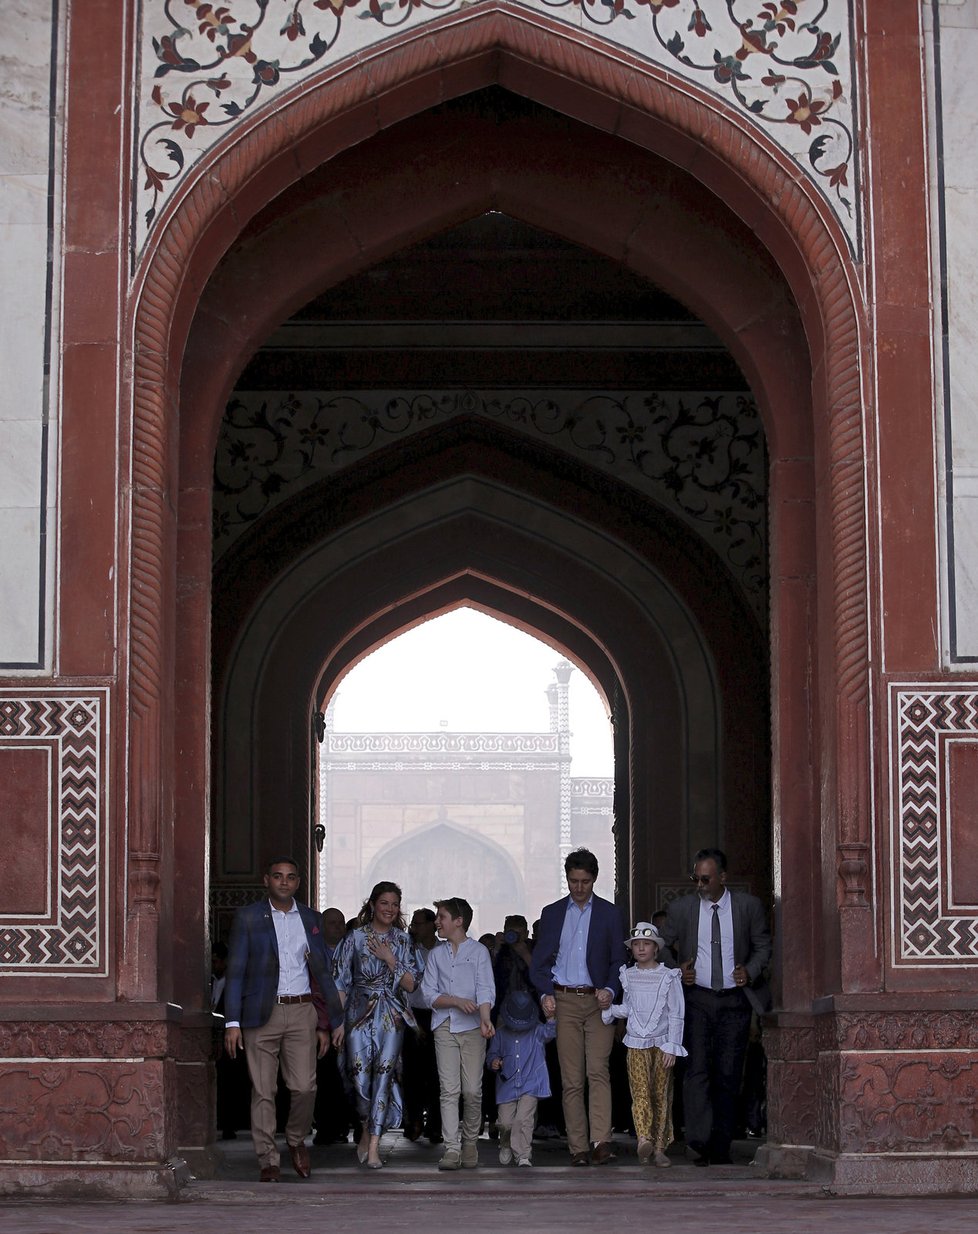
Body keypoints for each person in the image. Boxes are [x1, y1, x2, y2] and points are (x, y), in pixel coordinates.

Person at [224, 856, 343, 1182]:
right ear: (267, 880)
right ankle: (268, 1159)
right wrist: (231, 1021)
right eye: (278, 876)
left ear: (298, 882)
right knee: (264, 1091)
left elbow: (321, 974)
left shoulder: (311, 919)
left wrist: (327, 1021)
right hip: (261, 1014)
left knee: (305, 1087)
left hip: (302, 1011)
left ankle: (295, 1140)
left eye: (290, 877)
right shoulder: (249, 918)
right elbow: (235, 972)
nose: (284, 882)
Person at [661, 847, 772, 1167]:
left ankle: (721, 1143)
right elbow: (661, 943)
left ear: (723, 878)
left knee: (727, 1073)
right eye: (695, 878)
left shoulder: (747, 907)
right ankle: (697, 1141)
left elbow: (764, 944)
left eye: (705, 879)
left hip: (734, 1001)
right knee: (696, 1072)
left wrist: (749, 970)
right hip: (696, 999)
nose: (699, 884)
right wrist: (677, 969)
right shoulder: (682, 909)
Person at [530, 847, 625, 1165]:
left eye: (584, 881)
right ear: (567, 879)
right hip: (565, 1000)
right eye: (573, 881)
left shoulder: (610, 914)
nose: (579, 888)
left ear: (594, 879)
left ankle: (601, 1141)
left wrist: (611, 989)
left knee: (598, 1071)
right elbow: (539, 964)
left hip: (598, 1000)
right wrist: (545, 994)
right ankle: (578, 1147)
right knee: (572, 1078)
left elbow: (617, 960)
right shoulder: (553, 912)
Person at [332, 880, 421, 1168]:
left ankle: (373, 1146)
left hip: (391, 1016)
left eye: (395, 904)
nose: (390, 909)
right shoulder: (354, 938)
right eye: (384, 903)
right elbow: (340, 983)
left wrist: (390, 958)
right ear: (372, 904)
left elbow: (410, 984)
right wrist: (338, 1023)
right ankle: (366, 1127)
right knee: (359, 1079)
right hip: (358, 1012)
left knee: (384, 1076)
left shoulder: (403, 941)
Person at [602, 922, 686, 1167]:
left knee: (660, 1094)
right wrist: (610, 1011)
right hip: (636, 1043)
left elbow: (675, 1012)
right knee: (639, 1093)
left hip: (661, 1044)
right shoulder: (627, 975)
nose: (640, 948)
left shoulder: (668, 976)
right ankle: (643, 1139)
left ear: (656, 949)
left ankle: (660, 1147)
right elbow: (629, 1007)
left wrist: (673, 1045)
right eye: (636, 944)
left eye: (646, 944)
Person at [421, 896, 495, 1170]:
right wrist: (455, 1001)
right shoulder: (436, 955)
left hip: (474, 1027)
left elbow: (485, 988)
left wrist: (485, 1018)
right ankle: (451, 1148)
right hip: (444, 1026)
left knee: (473, 1091)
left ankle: (470, 1142)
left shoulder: (478, 952)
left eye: (441, 917)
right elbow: (428, 994)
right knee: (449, 1090)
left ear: (458, 921)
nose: (437, 922)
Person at [485, 989, 557, 1167]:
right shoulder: (500, 1034)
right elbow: (491, 1054)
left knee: (523, 1120)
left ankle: (523, 1154)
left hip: (531, 1082)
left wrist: (551, 1017)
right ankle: (505, 1143)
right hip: (506, 1083)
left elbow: (550, 1032)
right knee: (505, 1123)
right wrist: (493, 1061)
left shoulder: (537, 1031)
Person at [313, 907, 358, 1146]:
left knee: (353, 1075)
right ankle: (325, 1127)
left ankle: (351, 1126)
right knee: (325, 1078)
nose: (339, 927)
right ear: (321, 926)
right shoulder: (313, 953)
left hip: (352, 1024)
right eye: (333, 923)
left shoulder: (354, 952)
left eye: (341, 923)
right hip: (321, 1025)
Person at [402, 907, 443, 1144]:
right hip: (413, 1015)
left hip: (438, 1014)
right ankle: (414, 1120)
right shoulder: (407, 950)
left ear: (431, 925)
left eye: (418, 924)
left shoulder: (444, 950)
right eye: (413, 925)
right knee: (412, 1072)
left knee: (438, 1072)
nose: (414, 928)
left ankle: (435, 1125)